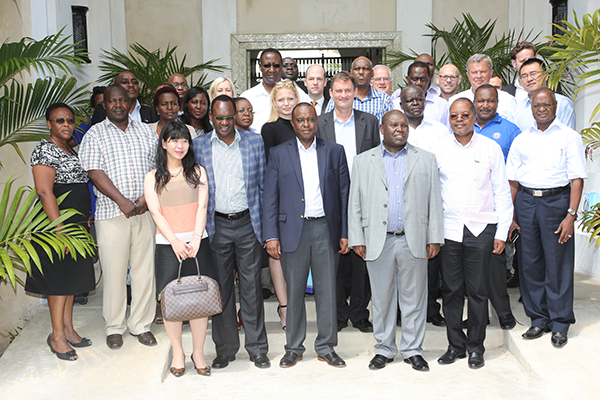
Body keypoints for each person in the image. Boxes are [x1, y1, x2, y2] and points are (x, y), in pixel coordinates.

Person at [348, 109, 444, 371]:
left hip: (414, 239)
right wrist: (357, 236)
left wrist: (434, 236)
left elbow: (434, 200)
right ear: (382, 129)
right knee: (381, 299)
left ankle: (413, 349)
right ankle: (385, 349)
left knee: (414, 299)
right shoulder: (362, 161)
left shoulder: (425, 159)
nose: (400, 129)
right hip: (378, 241)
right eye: (393, 125)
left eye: (404, 125)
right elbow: (354, 203)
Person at [263, 103, 350, 368]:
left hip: (325, 229)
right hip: (292, 231)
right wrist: (271, 236)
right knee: (295, 290)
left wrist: (345, 232)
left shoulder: (335, 152)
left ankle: (326, 346)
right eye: (300, 120)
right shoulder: (278, 153)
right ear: (293, 123)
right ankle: (293, 347)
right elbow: (270, 197)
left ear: (317, 122)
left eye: (310, 120)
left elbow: (344, 194)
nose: (306, 125)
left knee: (327, 289)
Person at [432, 98, 513, 369]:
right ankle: (456, 345)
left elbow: (502, 192)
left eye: (464, 115)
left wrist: (502, 233)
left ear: (474, 116)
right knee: (452, 291)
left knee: (478, 292)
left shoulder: (490, 148)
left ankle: (476, 347)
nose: (459, 120)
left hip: (481, 229)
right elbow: (432, 194)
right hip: (449, 230)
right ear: (449, 119)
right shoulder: (438, 149)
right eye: (454, 116)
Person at [506, 88, 587, 348]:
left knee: (558, 263)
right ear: (531, 107)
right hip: (526, 201)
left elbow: (576, 179)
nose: (542, 109)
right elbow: (513, 181)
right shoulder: (522, 139)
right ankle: (538, 319)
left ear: (555, 106)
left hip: (556, 202)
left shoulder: (569, 136)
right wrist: (512, 215)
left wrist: (571, 216)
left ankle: (560, 322)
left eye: (546, 105)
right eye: (537, 105)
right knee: (529, 263)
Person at [193, 95, 269, 369]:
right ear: (210, 117)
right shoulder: (198, 145)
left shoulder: (254, 141)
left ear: (235, 115)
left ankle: (257, 348)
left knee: (251, 289)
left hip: (248, 224)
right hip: (216, 226)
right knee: (221, 290)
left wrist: (266, 230)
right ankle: (225, 349)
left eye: (229, 117)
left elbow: (263, 187)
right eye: (219, 118)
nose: (224, 123)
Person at [80, 85, 158, 350]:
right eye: (111, 101)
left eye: (122, 100)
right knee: (113, 272)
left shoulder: (146, 133)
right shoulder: (95, 134)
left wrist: (146, 199)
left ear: (130, 102)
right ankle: (114, 327)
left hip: (144, 212)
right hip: (111, 213)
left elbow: (159, 168)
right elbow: (95, 172)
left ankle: (141, 325)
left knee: (144, 271)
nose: (117, 105)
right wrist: (122, 200)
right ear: (104, 105)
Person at [144, 121, 215, 377]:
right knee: (171, 301)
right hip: (167, 245)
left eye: (184, 140)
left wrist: (195, 239)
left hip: (198, 243)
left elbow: (203, 207)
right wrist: (174, 240)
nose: (179, 145)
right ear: (163, 143)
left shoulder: (198, 171)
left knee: (199, 298)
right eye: (174, 140)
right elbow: (156, 211)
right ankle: (177, 352)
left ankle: (198, 352)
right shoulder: (153, 176)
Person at [27, 103, 95, 361]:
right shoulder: (45, 149)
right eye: (59, 121)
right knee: (58, 282)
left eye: (69, 120)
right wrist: (59, 230)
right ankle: (57, 336)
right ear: (49, 124)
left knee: (70, 280)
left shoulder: (69, 149)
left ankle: (68, 329)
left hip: (74, 222)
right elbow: (45, 192)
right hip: (55, 225)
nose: (66, 125)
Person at [316, 71, 380, 334]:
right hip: (331, 200)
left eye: (347, 90)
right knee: (335, 260)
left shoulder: (370, 121)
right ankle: (339, 313)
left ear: (355, 92)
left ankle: (360, 313)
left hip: (364, 198)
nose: (343, 95)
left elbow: (378, 159)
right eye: (338, 91)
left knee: (361, 259)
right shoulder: (320, 123)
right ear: (331, 93)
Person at [399, 85, 449, 327]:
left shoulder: (440, 131)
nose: (415, 103)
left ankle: (430, 308)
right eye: (409, 100)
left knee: (430, 259)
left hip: (430, 200)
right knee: (401, 259)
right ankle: (401, 311)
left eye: (419, 99)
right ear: (401, 104)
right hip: (400, 203)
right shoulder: (393, 129)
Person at [473, 84, 520, 330]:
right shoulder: (463, 129)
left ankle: (504, 314)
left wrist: (508, 217)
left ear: (497, 102)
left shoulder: (511, 130)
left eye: (490, 100)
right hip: (470, 213)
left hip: (494, 212)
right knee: (473, 273)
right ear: (474, 102)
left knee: (495, 268)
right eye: (480, 100)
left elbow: (512, 179)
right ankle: (478, 317)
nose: (485, 105)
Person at [509, 58, 576, 132]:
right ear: (520, 82)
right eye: (524, 76)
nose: (529, 79)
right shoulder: (517, 109)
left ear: (546, 75)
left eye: (533, 74)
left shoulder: (562, 103)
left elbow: (568, 136)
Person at [449, 54, 517, 123]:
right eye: (474, 72)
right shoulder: (454, 101)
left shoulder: (507, 100)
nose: (478, 76)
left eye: (483, 72)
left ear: (491, 73)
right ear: (468, 75)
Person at [324, 56, 393, 124]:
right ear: (351, 72)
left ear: (372, 73)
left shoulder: (384, 99)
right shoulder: (339, 98)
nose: (361, 72)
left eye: (365, 69)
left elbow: (391, 126)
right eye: (357, 69)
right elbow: (326, 123)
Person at [91, 71, 158, 125]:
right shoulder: (102, 111)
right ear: (116, 87)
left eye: (134, 82)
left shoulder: (150, 112)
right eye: (125, 82)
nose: (131, 85)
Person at [395, 61, 449, 128]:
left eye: (423, 79)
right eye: (415, 79)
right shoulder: (395, 104)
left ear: (429, 79)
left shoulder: (442, 104)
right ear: (407, 80)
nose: (419, 83)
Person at [261, 80, 300, 161]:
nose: (286, 103)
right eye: (280, 100)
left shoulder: (304, 126)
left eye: (290, 99)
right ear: (274, 102)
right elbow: (269, 162)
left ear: (296, 99)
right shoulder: (269, 129)